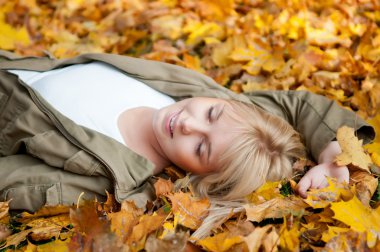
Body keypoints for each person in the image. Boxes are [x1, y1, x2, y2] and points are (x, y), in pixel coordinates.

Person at [0, 51, 375, 216]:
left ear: (202, 176)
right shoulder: (210, 99)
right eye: (211, 114)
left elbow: (10, 179)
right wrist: (334, 155)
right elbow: (300, 105)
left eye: (199, 147)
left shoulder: (109, 177)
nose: (187, 123)